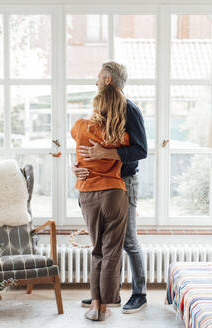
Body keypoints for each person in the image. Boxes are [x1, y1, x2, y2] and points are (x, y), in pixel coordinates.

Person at [72, 61, 148, 314]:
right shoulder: (104, 109)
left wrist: (107, 152)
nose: (95, 81)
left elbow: (140, 150)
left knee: (127, 241)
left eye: (97, 76)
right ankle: (102, 296)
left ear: (107, 80)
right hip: (100, 182)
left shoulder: (130, 109)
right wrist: (79, 166)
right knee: (104, 243)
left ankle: (139, 293)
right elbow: (90, 144)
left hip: (124, 181)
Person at [71, 80, 130, 322]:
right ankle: (105, 307)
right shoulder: (121, 136)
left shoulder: (80, 127)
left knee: (96, 250)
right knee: (112, 252)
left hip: (88, 194)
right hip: (114, 194)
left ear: (97, 105)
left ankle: (94, 306)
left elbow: (74, 133)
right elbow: (133, 147)